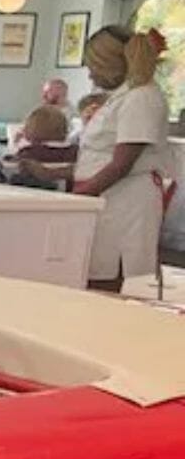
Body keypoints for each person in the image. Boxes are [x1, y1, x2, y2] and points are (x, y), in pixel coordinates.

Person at [66, 26, 172, 292]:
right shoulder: (125, 95)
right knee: (98, 268)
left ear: (110, 65)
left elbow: (121, 164)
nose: (90, 74)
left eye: (93, 67)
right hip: (109, 200)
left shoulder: (142, 97)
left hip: (126, 202)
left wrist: (79, 195)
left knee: (117, 275)